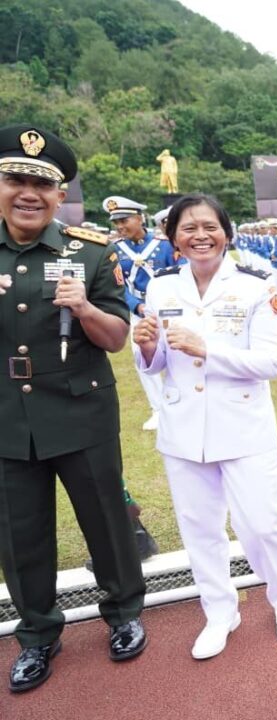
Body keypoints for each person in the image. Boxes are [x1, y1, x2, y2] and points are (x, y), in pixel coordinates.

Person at [0, 125, 147, 693]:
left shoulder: (88, 251)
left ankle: (124, 612)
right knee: (20, 534)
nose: (28, 193)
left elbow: (116, 337)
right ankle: (38, 635)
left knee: (106, 520)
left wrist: (84, 308)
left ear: (60, 195)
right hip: (8, 417)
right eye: (16, 179)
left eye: (42, 184)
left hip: (80, 410)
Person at [133, 193, 277, 659]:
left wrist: (207, 348)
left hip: (243, 426)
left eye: (209, 227)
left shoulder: (255, 286)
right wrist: (146, 347)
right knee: (199, 529)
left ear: (226, 234)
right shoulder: (161, 288)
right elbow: (157, 363)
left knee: (263, 523)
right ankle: (219, 611)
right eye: (188, 228)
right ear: (173, 238)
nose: (200, 236)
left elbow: (272, 361)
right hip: (183, 428)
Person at [106, 194, 179, 431]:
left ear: (139, 218)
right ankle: (157, 409)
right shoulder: (114, 250)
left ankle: (180, 404)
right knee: (143, 359)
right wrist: (136, 306)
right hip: (139, 311)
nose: (120, 226)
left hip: (170, 309)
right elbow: (117, 285)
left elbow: (180, 275)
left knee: (177, 355)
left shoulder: (165, 245)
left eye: (124, 220)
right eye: (116, 222)